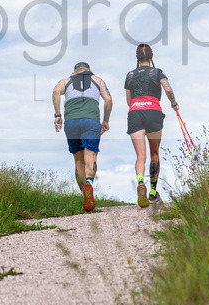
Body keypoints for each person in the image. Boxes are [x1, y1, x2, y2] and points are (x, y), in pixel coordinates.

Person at [53, 61, 112, 212]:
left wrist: (58, 115)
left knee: (78, 161)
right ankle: (89, 184)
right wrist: (105, 120)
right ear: (89, 71)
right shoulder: (98, 80)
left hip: (71, 122)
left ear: (74, 73)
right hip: (91, 122)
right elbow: (108, 100)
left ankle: (84, 194)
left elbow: (55, 92)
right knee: (90, 157)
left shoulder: (65, 81)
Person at [124, 43, 179, 207]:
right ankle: (153, 193)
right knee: (154, 153)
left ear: (136, 58)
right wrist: (174, 103)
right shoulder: (157, 72)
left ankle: (141, 183)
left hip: (135, 112)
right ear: (151, 56)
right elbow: (168, 89)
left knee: (140, 155)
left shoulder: (130, 75)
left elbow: (128, 101)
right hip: (153, 112)